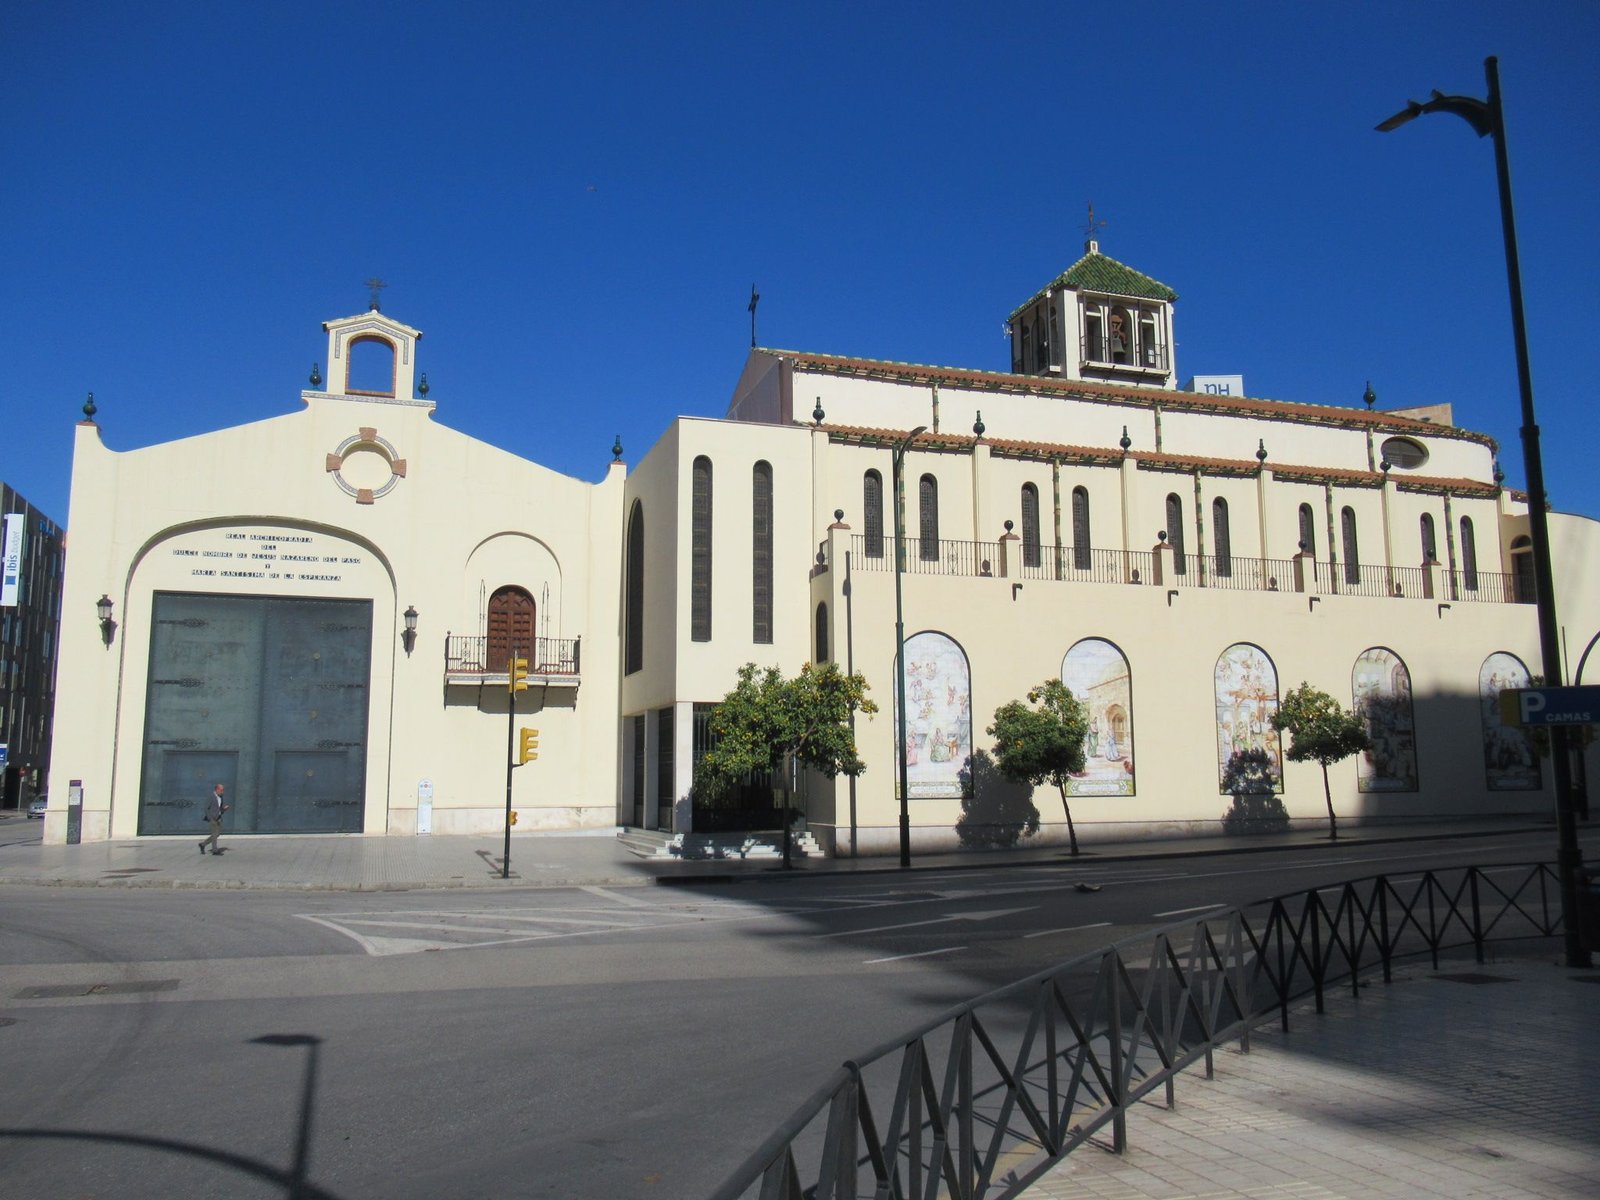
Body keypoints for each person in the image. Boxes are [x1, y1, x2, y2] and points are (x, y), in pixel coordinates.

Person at [199, 783, 229, 855]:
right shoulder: (211, 797)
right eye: (221, 790)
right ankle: (215, 850)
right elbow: (206, 808)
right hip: (212, 818)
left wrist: (224, 809)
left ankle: (203, 844)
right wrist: (210, 817)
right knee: (214, 834)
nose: (222, 792)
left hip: (218, 818)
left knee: (217, 834)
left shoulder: (221, 797)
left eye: (223, 790)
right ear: (217, 789)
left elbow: (220, 808)